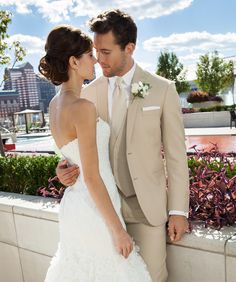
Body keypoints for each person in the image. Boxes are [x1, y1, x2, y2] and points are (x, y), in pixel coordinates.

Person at [56, 9, 189, 282]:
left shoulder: (162, 89)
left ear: (129, 48)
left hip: (146, 210)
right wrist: (64, 169)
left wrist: (178, 211)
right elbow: (77, 144)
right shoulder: (88, 93)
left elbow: (177, 157)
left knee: (150, 278)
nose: (97, 59)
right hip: (101, 212)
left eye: (105, 52)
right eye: (95, 51)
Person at [39, 25, 152, 282]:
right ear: (73, 62)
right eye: (90, 55)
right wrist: (117, 230)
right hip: (95, 211)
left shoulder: (55, 104)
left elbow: (71, 153)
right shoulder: (82, 107)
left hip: (76, 209)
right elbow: (91, 176)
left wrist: (62, 166)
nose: (96, 60)